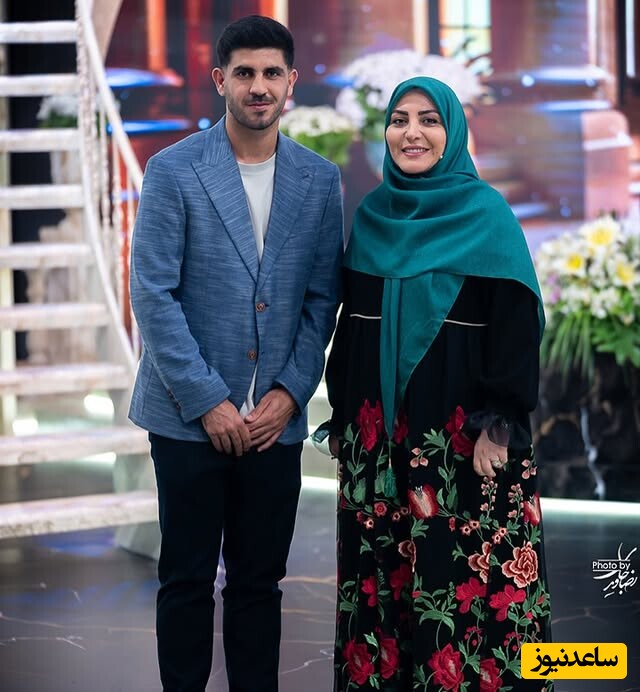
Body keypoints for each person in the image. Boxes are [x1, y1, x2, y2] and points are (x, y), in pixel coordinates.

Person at [128, 15, 344, 692]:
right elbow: (153, 295)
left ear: (291, 82)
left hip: (273, 424)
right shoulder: (173, 170)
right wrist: (208, 401)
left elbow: (322, 299)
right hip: (186, 417)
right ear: (220, 78)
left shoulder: (319, 179)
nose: (259, 87)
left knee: (259, 584)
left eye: (272, 73)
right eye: (245, 73)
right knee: (186, 579)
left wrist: (289, 393)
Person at [324, 76, 553, 691]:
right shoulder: (372, 217)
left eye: (429, 120)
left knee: (469, 588)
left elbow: (515, 330)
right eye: (400, 119)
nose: (412, 133)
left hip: (463, 442)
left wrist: (500, 422)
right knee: (384, 589)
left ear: (453, 132)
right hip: (380, 445)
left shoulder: (487, 217)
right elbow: (352, 331)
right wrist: (344, 418)